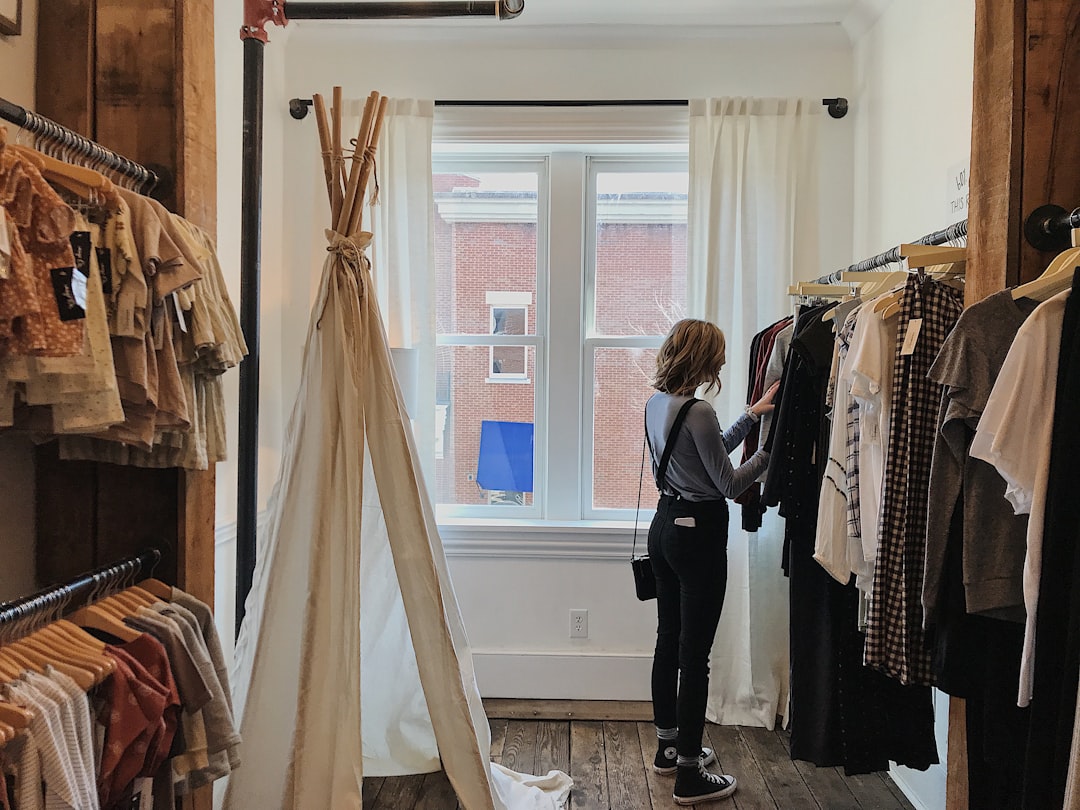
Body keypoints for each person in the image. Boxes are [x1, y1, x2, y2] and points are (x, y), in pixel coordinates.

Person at [645, 318, 777, 805]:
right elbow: (728, 483)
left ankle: (668, 750)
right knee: (694, 656)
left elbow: (707, 453)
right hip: (697, 537)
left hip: (664, 528)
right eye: (717, 355)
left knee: (668, 641)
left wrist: (750, 415)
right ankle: (689, 774)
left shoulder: (657, 403)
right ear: (702, 359)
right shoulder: (699, 410)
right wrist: (772, 451)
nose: (721, 362)